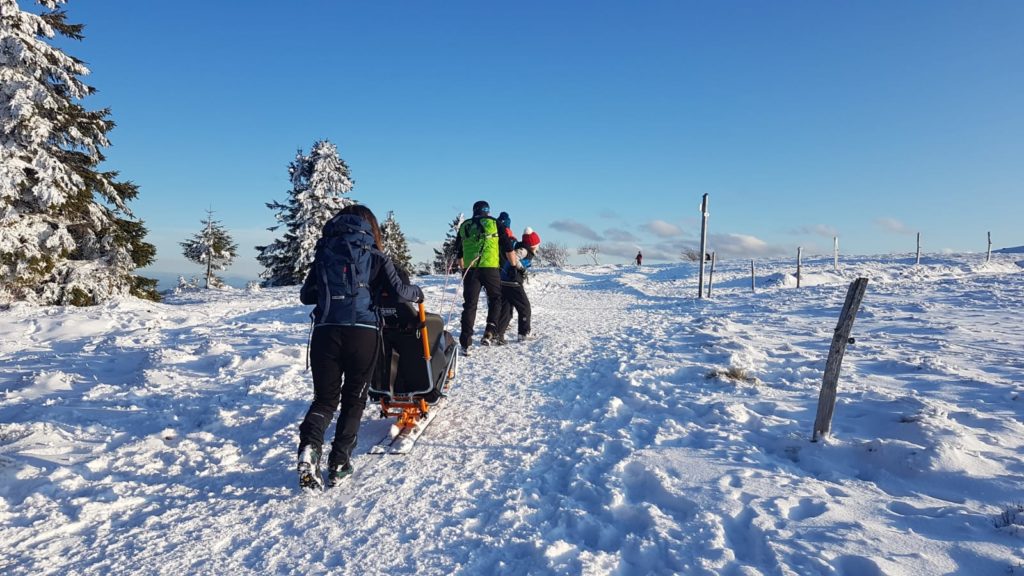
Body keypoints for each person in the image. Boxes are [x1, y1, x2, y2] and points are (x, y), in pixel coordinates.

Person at [296, 204, 424, 490]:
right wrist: (418, 293)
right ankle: (339, 462)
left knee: (324, 400)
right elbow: (402, 292)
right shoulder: (375, 255)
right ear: (370, 228)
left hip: (325, 333)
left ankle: (309, 446)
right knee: (354, 398)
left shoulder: (324, 254)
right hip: (363, 334)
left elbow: (306, 296)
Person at [456, 201, 516, 355]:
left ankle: (466, 343)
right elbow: (508, 247)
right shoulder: (495, 223)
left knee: (470, 305)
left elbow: (459, 254)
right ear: (487, 211)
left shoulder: (465, 226)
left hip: (471, 270)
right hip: (490, 269)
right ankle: (490, 330)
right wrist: (514, 267)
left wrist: (464, 271)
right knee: (496, 298)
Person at [496, 226, 540, 343]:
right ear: (533, 244)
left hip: (505, 281)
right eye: (537, 244)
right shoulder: (524, 249)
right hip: (512, 282)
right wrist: (521, 269)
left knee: (506, 310)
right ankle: (524, 333)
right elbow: (513, 256)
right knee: (525, 307)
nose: (538, 247)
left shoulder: (525, 249)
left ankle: (498, 335)